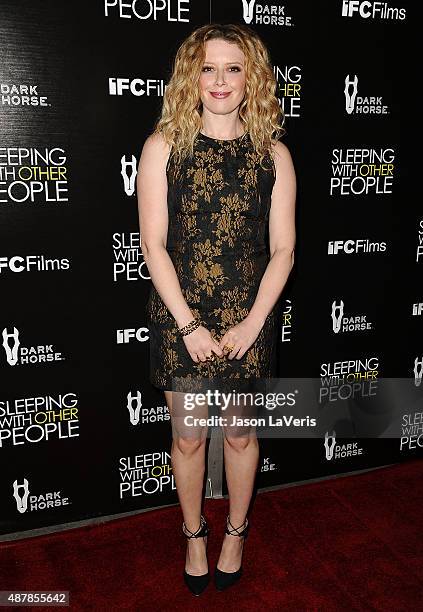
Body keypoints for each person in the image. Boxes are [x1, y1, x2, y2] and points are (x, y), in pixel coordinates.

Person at [136, 23, 296, 595]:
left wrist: (253, 324)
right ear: (190, 77)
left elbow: (283, 248)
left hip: (249, 316)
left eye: (233, 67)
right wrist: (189, 326)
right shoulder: (162, 147)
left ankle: (236, 531)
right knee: (188, 440)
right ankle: (193, 534)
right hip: (183, 316)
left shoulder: (273, 154)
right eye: (208, 67)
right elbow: (153, 245)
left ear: (250, 76)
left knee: (240, 438)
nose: (220, 80)